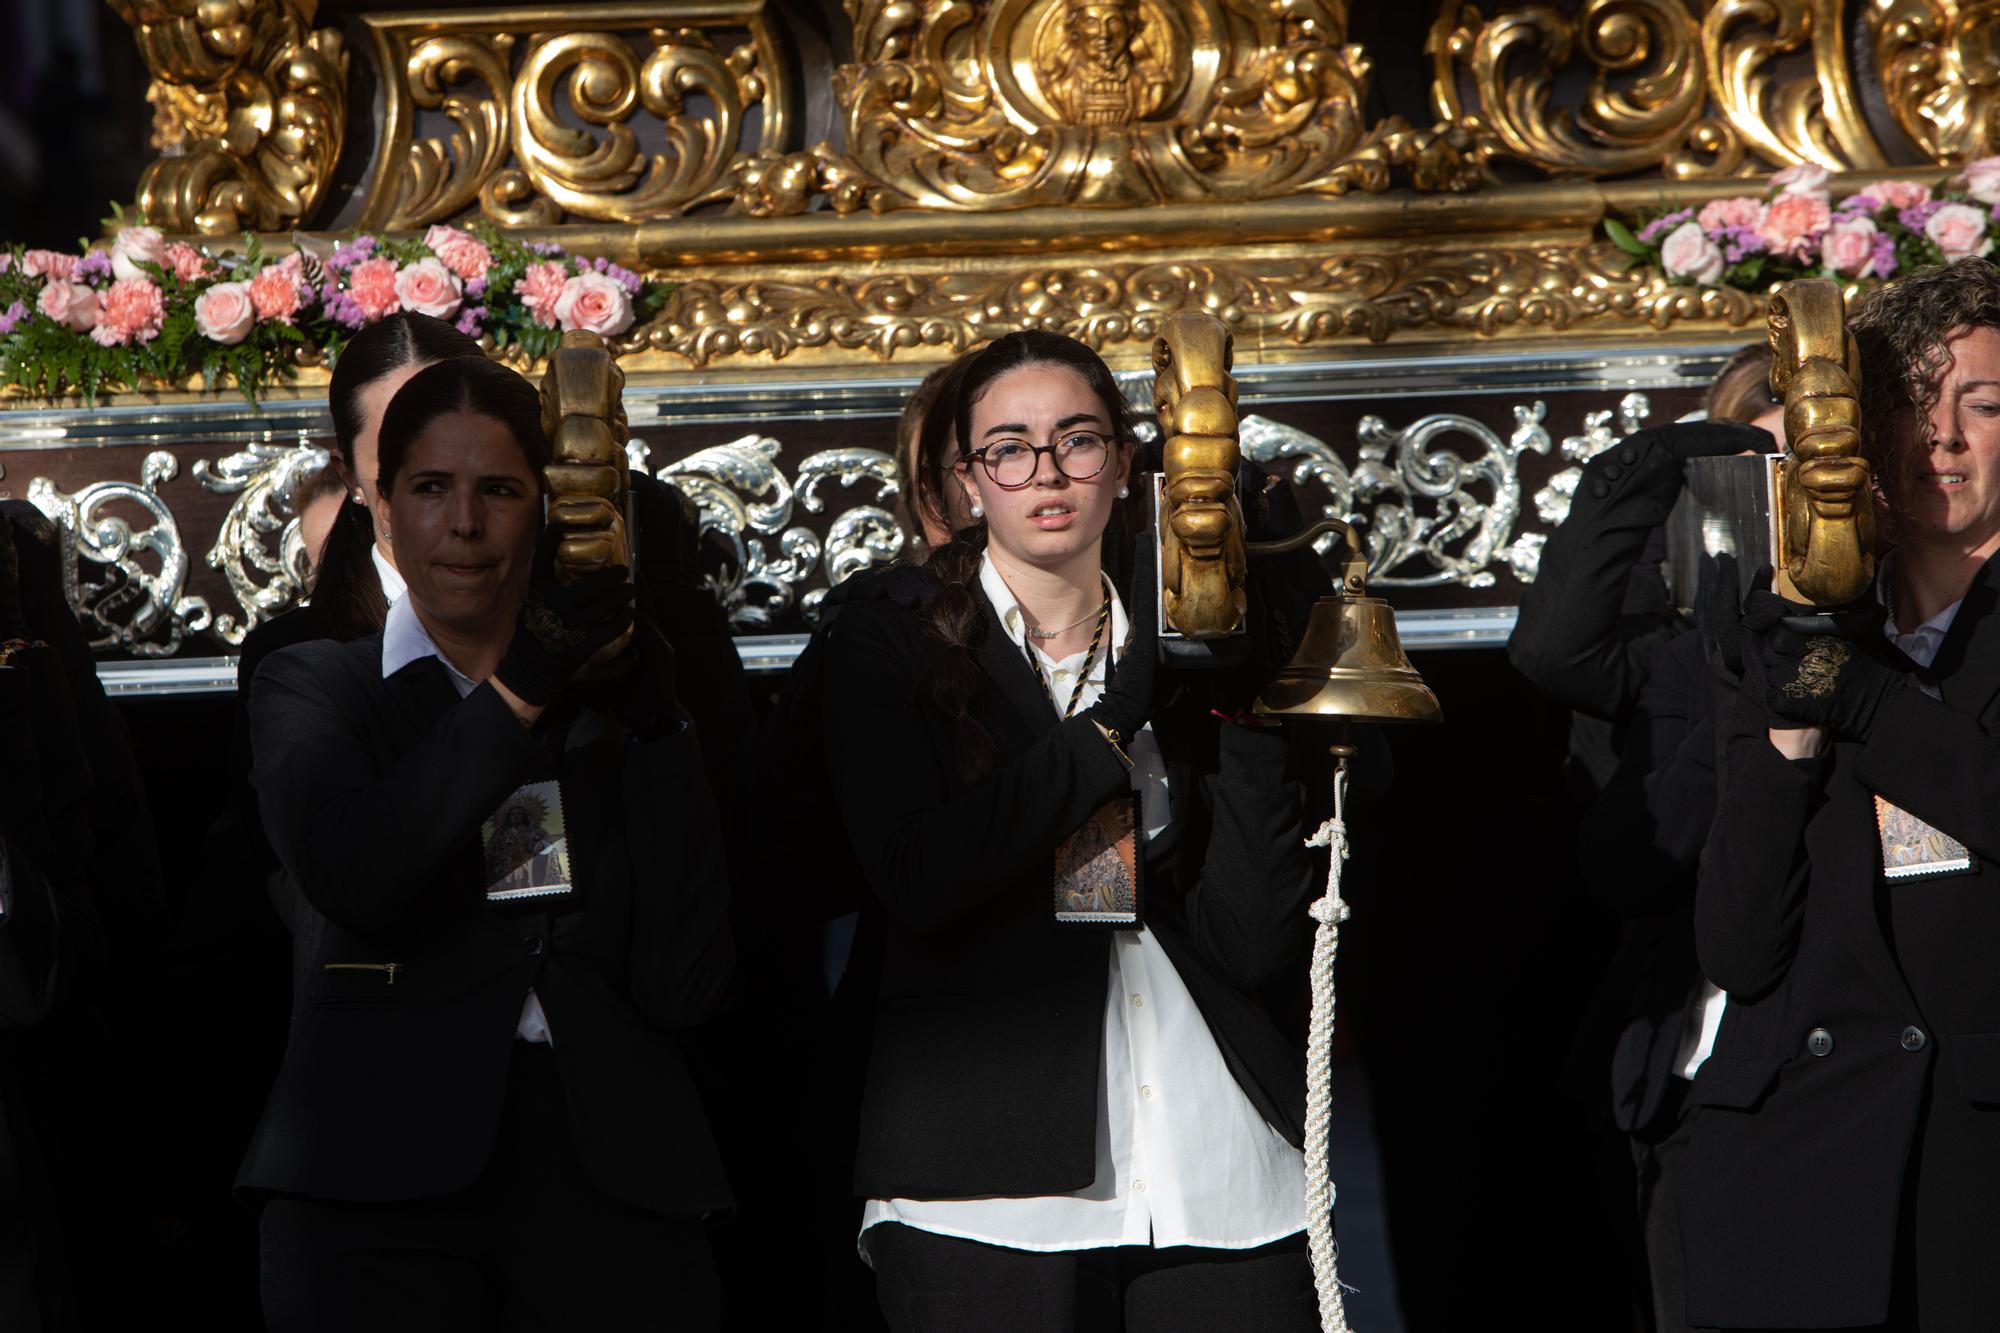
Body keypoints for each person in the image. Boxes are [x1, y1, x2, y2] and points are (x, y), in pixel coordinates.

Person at [817, 330, 1320, 1331]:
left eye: (1077, 439)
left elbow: (1256, 938)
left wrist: (1252, 713)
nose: (1045, 472)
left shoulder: (1184, 634)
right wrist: (1110, 719)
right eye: (1008, 447)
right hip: (983, 1177)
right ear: (966, 480)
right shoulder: (884, 639)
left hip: (1217, 1166)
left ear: (1126, 462)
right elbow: (919, 874)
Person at [242, 355, 734, 1330]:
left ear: (544, 509)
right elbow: (357, 870)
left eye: (500, 490)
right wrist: (522, 685)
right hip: (374, 1181)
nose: (463, 523)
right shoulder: (314, 684)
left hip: (615, 1179)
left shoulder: (618, 693)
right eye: (431, 488)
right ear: (381, 510)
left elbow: (691, 982)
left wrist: (660, 731)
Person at [1682, 258, 2000, 1331]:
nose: (1939, 438)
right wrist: (1789, 734)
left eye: (1981, 404)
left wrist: (1872, 707)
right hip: (1800, 1182)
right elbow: (1735, 948)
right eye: (1906, 406)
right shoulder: (1787, 631)